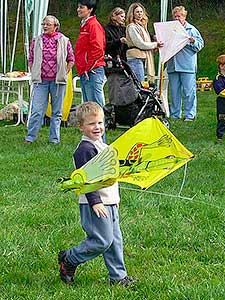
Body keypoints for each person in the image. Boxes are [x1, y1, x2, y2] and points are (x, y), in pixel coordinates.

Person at [58, 102, 137, 287]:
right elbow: (87, 180)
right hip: (94, 203)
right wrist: (95, 202)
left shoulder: (102, 145)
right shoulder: (84, 150)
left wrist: (114, 199)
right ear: (81, 127)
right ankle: (70, 258)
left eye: (100, 123)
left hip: (109, 202)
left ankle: (118, 277)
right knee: (102, 241)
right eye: (92, 124)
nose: (97, 127)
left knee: (115, 241)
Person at [24, 15, 74, 144]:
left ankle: (54, 139)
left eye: (48, 24)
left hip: (58, 81)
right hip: (41, 81)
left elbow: (71, 59)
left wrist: (65, 71)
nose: (45, 26)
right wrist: (33, 69)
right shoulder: (37, 40)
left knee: (57, 112)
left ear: (55, 26)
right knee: (36, 110)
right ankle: (30, 137)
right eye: (43, 24)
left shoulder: (64, 40)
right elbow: (31, 58)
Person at [75, 0, 106, 141]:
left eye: (81, 7)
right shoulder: (85, 25)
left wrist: (89, 67)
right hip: (85, 71)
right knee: (89, 109)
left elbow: (98, 49)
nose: (78, 9)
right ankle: (93, 141)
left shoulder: (93, 25)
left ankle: (101, 143)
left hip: (92, 71)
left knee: (95, 110)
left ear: (90, 9)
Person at [166, 6, 204, 121]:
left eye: (180, 16)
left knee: (189, 92)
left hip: (187, 65)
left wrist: (192, 41)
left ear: (184, 16)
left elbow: (200, 45)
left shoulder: (191, 29)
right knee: (174, 92)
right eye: (175, 16)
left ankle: (189, 115)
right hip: (172, 65)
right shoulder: (169, 29)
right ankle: (175, 115)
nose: (177, 18)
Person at [125, 2, 163, 83]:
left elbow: (145, 43)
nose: (139, 14)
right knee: (138, 84)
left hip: (142, 57)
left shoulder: (142, 27)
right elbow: (140, 44)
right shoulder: (132, 27)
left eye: (141, 12)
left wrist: (152, 47)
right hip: (135, 58)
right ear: (133, 13)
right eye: (137, 12)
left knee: (142, 84)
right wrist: (155, 44)